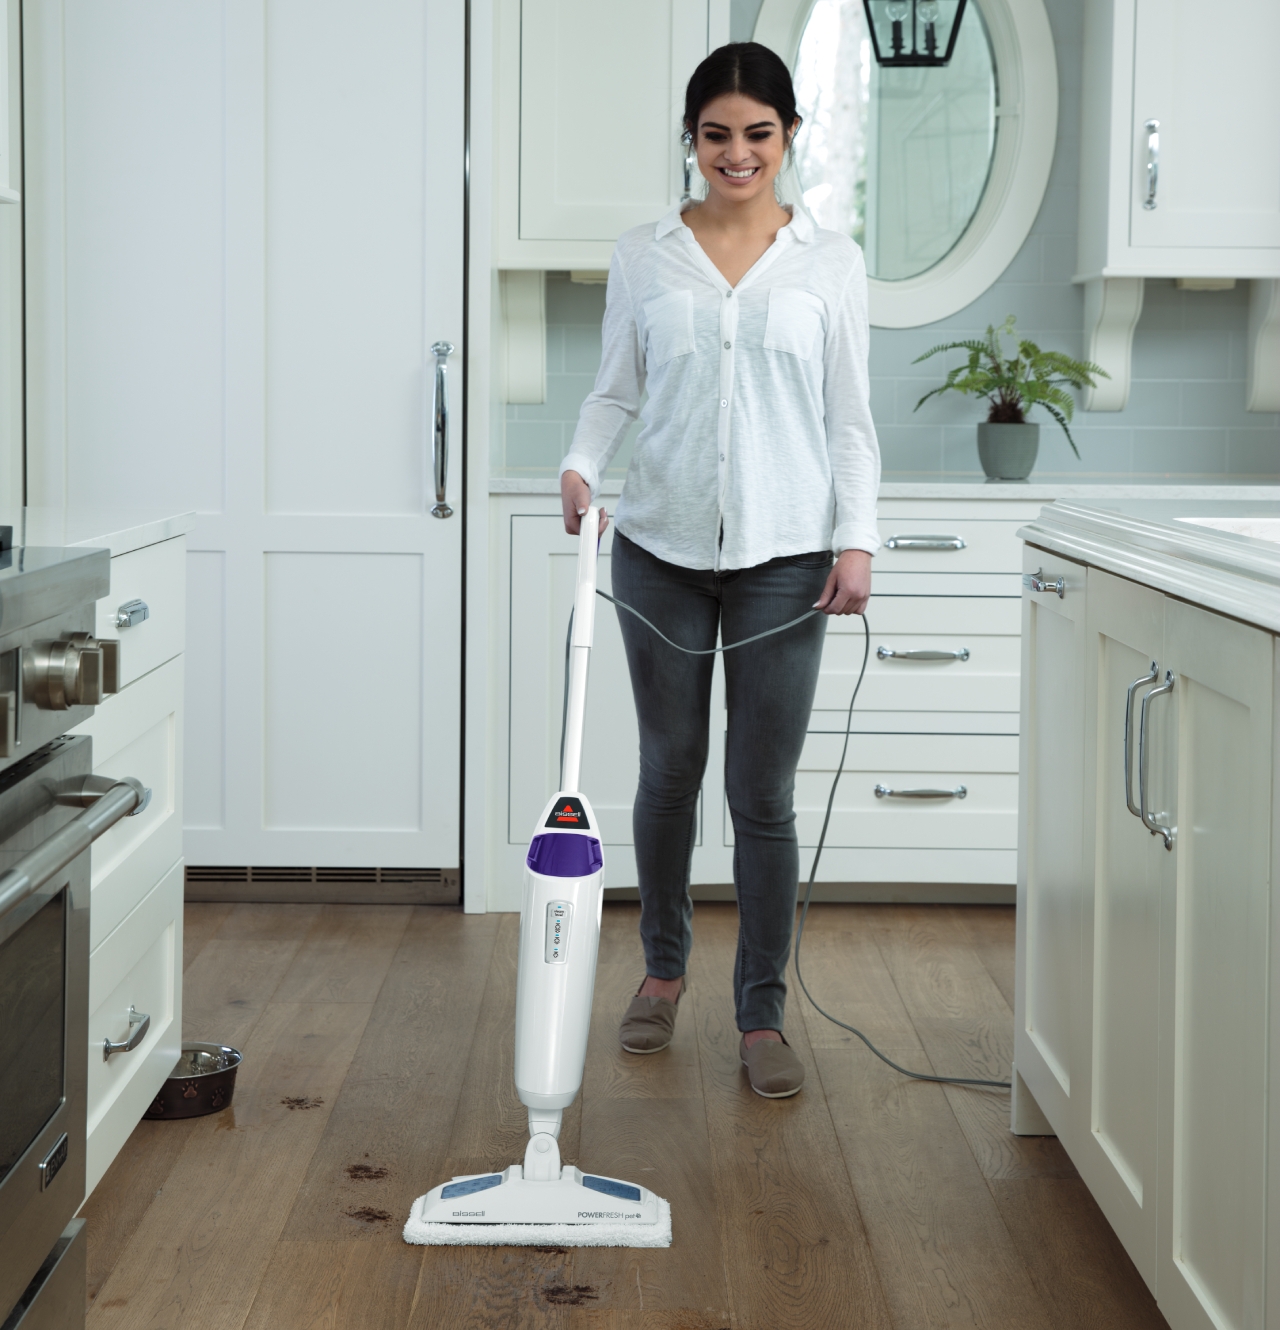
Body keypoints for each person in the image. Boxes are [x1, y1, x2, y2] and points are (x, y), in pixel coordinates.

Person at [559, 42, 879, 1099]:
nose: (734, 154)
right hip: (658, 549)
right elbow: (613, 392)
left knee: (761, 793)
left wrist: (855, 537)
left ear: (787, 136)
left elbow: (847, 420)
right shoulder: (645, 254)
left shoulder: (828, 262)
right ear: (690, 140)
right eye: (714, 134)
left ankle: (759, 1014)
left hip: (786, 561)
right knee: (667, 772)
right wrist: (577, 466)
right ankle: (659, 973)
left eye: (756, 133)